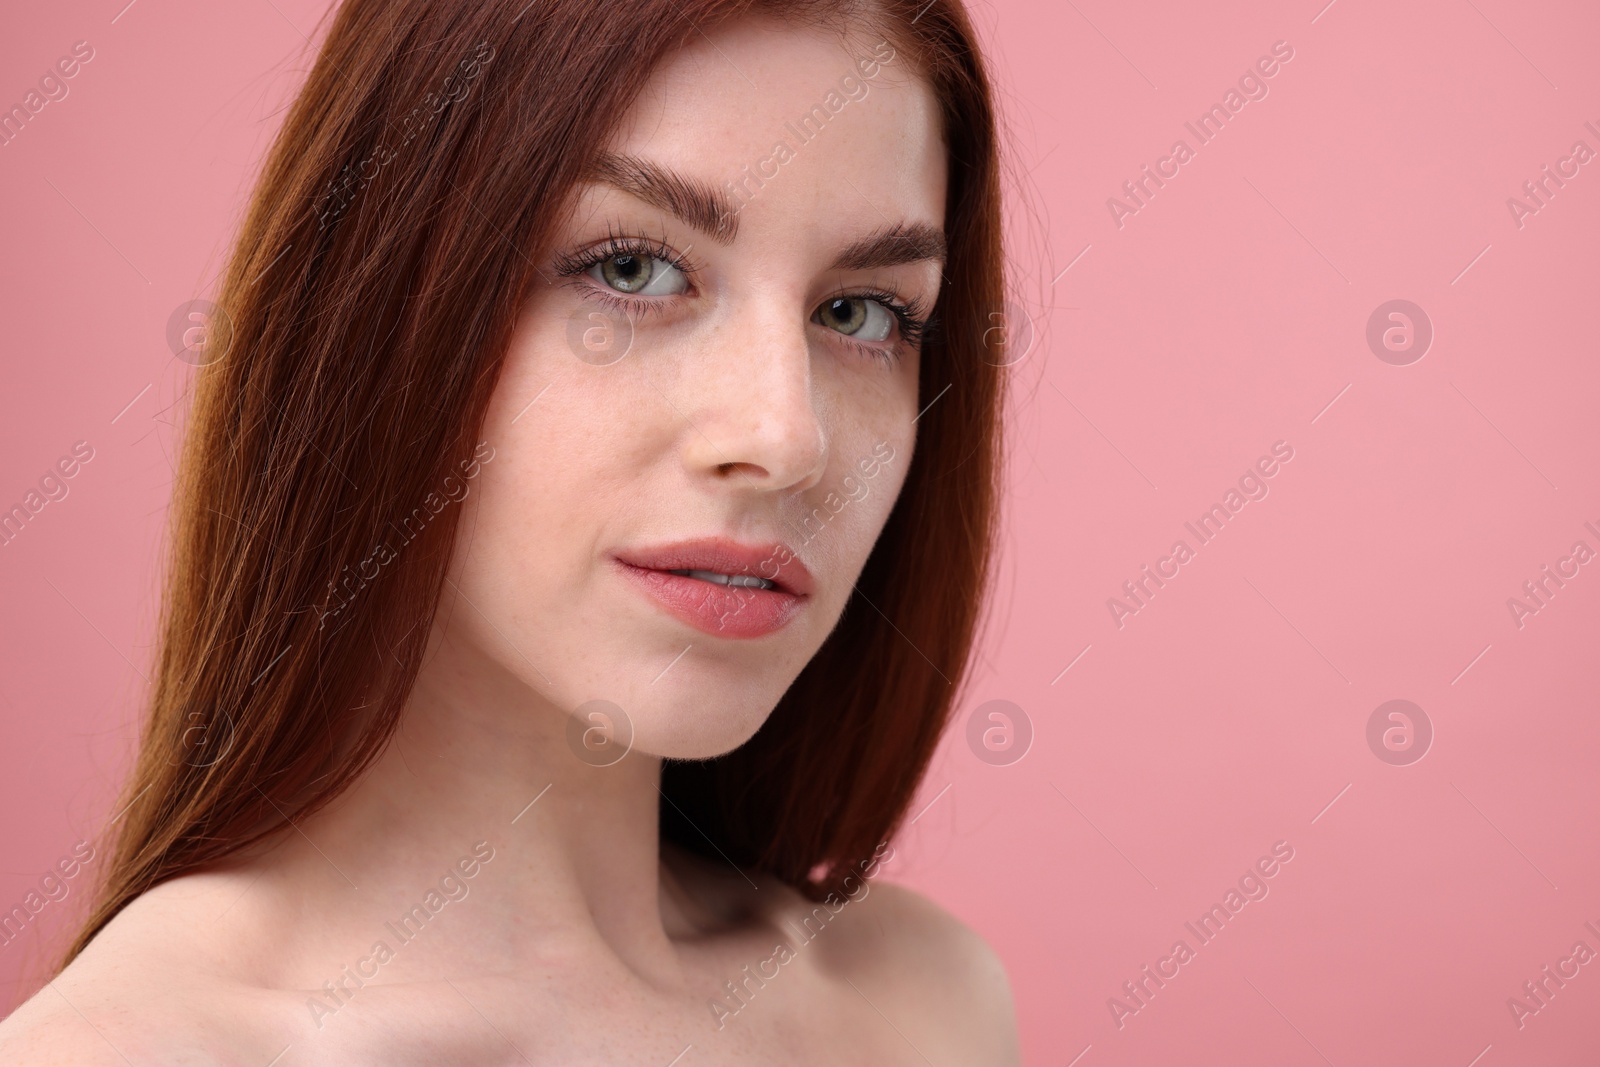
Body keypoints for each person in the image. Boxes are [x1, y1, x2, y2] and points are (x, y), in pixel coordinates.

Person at [0, 0, 1020, 1060]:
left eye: (861, 312)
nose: (784, 434)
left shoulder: (924, 1005)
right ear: (374, 307)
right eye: (631, 268)